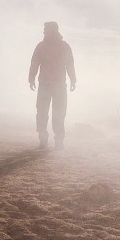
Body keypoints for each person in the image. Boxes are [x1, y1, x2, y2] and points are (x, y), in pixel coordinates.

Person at [28, 21, 76, 150]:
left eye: (46, 29)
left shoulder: (49, 46)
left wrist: (73, 79)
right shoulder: (43, 46)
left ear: (53, 30)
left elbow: (69, 64)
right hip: (48, 84)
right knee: (45, 112)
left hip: (55, 85)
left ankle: (56, 141)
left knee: (56, 113)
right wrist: (31, 78)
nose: (44, 32)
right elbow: (35, 63)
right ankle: (46, 139)